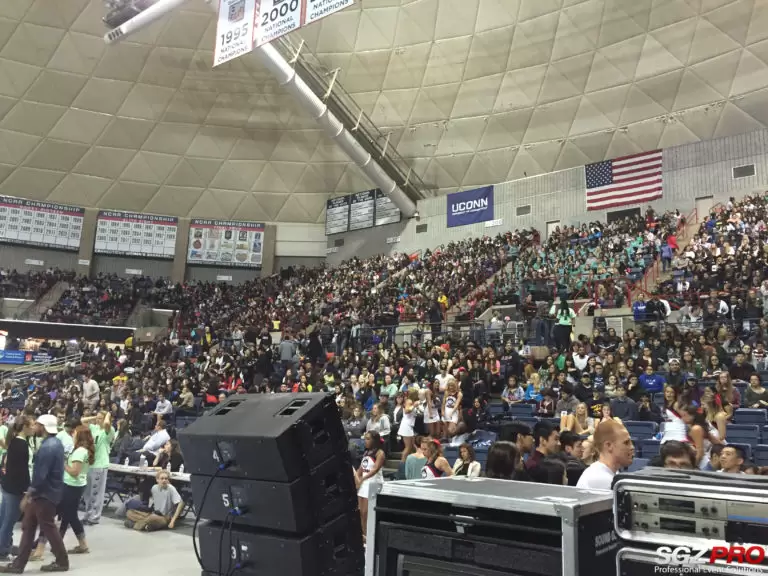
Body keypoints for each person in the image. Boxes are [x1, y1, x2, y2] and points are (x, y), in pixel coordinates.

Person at [0, 414, 68, 574]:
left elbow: (40, 475)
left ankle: (62, 560)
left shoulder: (47, 447)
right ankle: (19, 564)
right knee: (28, 527)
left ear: (43, 427)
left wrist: (28, 494)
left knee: (47, 527)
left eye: (37, 424)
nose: (34, 427)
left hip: (44, 494)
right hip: (46, 493)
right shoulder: (55, 443)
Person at [57, 425, 94, 555]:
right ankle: (58, 541)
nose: (73, 434)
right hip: (76, 484)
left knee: (71, 515)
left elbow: (74, 472)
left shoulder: (79, 452)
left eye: (75, 433)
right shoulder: (83, 450)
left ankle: (83, 544)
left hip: (72, 485)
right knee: (67, 514)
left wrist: (63, 464)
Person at [0, 417, 32, 560]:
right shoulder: (21, 444)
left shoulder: (13, 441)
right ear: (24, 426)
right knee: (9, 522)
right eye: (32, 425)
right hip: (15, 489)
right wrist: (25, 490)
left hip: (8, 485)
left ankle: (4, 545)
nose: (34, 427)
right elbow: (22, 470)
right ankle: (2, 549)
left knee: (3, 519)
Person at [576, 420, 634, 490]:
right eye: (626, 443)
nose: (632, 447)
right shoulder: (598, 478)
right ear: (609, 445)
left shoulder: (611, 472)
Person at [82, 411, 113, 525]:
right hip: (90, 463)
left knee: (96, 492)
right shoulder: (94, 428)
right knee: (87, 492)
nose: (98, 420)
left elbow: (106, 424)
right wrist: (95, 416)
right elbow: (82, 421)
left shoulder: (109, 431)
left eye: (100, 418)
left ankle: (94, 517)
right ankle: (87, 514)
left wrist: (108, 415)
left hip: (100, 464)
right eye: (97, 418)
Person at [355, 431, 384, 542]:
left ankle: (370, 536)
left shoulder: (380, 453)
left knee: (367, 512)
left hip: (373, 483)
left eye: (367, 439)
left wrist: (362, 478)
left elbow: (375, 469)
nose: (365, 441)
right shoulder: (366, 453)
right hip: (364, 484)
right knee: (361, 512)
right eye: (365, 439)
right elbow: (361, 469)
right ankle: (363, 535)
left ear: (374, 440)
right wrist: (357, 478)